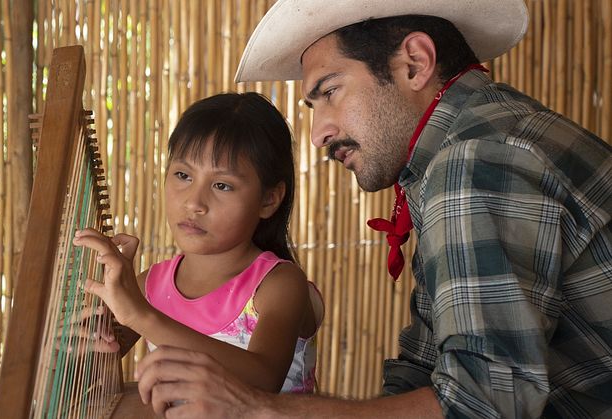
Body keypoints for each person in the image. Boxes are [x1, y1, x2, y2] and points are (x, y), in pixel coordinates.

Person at [133, 0, 612, 418]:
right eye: (312, 107)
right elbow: (423, 369)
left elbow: (482, 406)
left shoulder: (479, 160)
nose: (319, 132)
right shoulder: (460, 151)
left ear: (414, 63)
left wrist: (257, 408)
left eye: (331, 91)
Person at [73, 92, 324, 395]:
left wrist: (140, 315)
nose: (194, 202)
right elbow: (99, 388)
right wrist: (94, 343)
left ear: (269, 199)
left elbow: (263, 378)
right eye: (183, 175)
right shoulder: (149, 287)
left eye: (222, 185)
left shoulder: (279, 284)